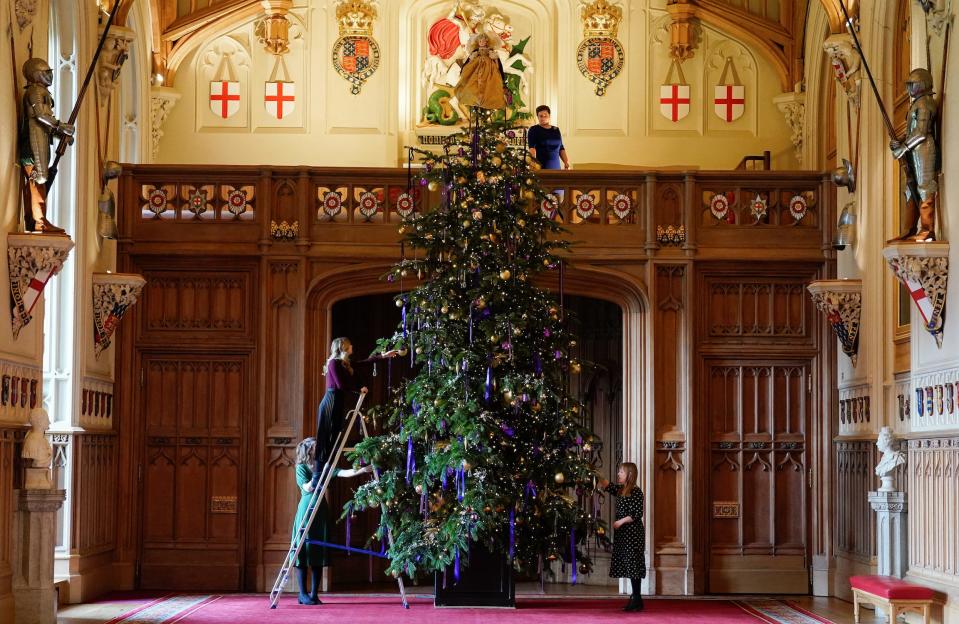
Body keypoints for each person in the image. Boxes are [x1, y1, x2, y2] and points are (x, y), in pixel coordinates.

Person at [291, 437, 371, 605]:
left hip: (321, 512)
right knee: (304, 550)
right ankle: (302, 594)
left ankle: (314, 594)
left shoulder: (323, 467)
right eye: (316, 447)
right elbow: (307, 487)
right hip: (306, 511)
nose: (320, 450)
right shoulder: (301, 467)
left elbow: (344, 473)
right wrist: (319, 472)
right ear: (309, 450)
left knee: (318, 551)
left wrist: (363, 470)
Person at [311, 337, 396, 489]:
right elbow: (341, 384)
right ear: (343, 347)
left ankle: (323, 474)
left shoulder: (344, 363)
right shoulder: (333, 363)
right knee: (324, 439)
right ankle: (317, 476)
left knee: (334, 439)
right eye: (349, 345)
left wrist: (384, 356)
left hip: (338, 403)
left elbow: (364, 363)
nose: (352, 346)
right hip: (330, 402)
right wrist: (359, 389)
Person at [597, 462, 646, 612]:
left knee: (633, 565)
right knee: (629, 564)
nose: (618, 474)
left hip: (633, 533)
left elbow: (637, 514)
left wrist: (620, 521)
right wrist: (595, 473)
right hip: (623, 534)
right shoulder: (621, 490)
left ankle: (636, 598)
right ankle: (636, 599)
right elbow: (607, 485)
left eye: (621, 472)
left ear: (629, 475)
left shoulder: (636, 492)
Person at [454, 31, 507, 110]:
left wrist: (494, 58)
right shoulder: (476, 51)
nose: (482, 42)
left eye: (484, 41)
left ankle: (485, 99)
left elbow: (496, 60)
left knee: (488, 82)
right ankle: (475, 98)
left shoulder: (490, 50)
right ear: (478, 42)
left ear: (486, 42)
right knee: (473, 81)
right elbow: (469, 61)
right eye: (480, 41)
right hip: (476, 66)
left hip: (488, 66)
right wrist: (472, 58)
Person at [528, 105, 570, 170]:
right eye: (540, 116)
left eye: (545, 115)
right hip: (542, 167)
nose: (543, 118)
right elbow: (532, 148)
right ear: (537, 117)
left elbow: (561, 148)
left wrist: (566, 162)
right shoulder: (534, 129)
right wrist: (533, 164)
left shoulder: (556, 129)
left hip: (557, 167)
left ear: (549, 116)